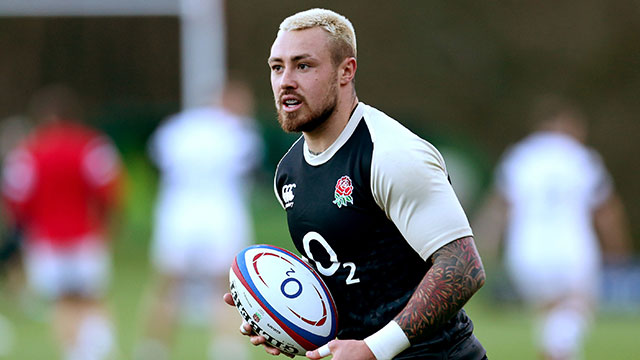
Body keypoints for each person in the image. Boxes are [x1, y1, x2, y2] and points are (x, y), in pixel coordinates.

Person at [223, 8, 487, 360]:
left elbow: (464, 267)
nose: (286, 80)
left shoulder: (392, 154)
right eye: (277, 67)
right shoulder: (288, 172)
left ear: (346, 71)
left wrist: (375, 349)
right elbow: (348, 275)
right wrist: (281, 319)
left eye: (303, 65)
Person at [474, 95, 632, 360]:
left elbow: (499, 208)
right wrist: (618, 250)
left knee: (550, 314)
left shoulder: (521, 155)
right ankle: (560, 352)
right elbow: (606, 211)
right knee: (579, 307)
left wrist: (484, 246)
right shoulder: (581, 157)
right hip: (572, 247)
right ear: (567, 124)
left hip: (526, 250)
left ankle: (557, 352)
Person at [136, 78, 263, 360]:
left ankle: (153, 349)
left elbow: (159, 160)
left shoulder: (177, 126)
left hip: (178, 213)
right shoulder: (239, 132)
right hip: (220, 212)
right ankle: (227, 350)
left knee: (167, 285)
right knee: (228, 287)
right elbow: (248, 168)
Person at [1, 84, 123, 360]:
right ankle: (97, 352)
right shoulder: (91, 146)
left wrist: (21, 235)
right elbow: (109, 192)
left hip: (46, 240)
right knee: (93, 298)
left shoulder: (28, 153)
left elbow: (16, 200)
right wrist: (108, 226)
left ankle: (75, 354)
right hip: (85, 236)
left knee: (62, 302)